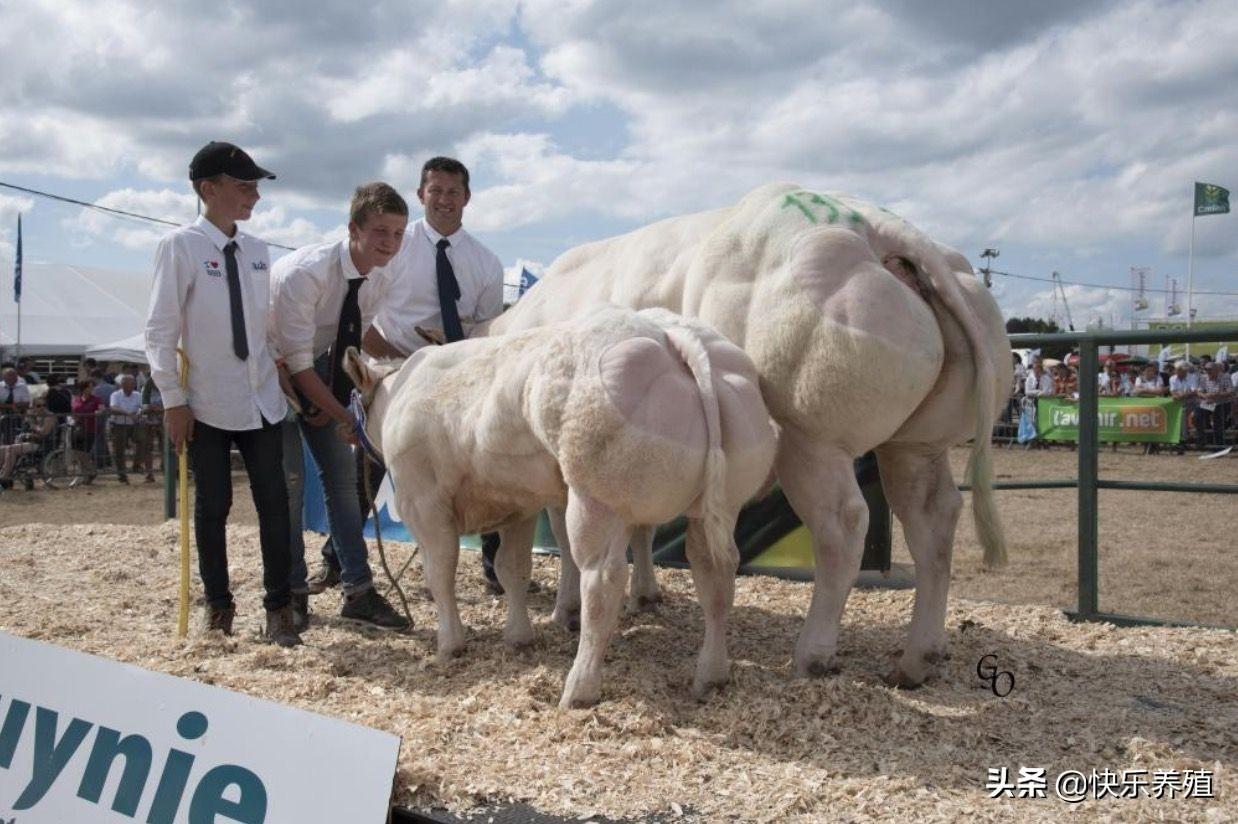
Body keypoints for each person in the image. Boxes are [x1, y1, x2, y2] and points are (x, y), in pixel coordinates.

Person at [145, 139, 300, 647]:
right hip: (206, 400)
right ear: (207, 189)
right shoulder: (181, 247)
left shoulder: (258, 251)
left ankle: (279, 608)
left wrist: (280, 369)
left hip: (260, 398)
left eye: (256, 185)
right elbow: (160, 330)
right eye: (243, 185)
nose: (253, 195)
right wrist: (173, 398)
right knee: (212, 507)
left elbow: (263, 324)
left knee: (275, 505)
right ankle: (219, 607)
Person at [360, 157, 508, 592]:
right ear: (421, 194)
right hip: (394, 372)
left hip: (459, 376)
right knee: (370, 466)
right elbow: (362, 316)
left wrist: (458, 355)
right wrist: (400, 361)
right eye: (436, 191)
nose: (444, 200)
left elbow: (488, 330)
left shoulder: (486, 262)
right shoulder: (393, 249)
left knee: (487, 463)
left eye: (453, 192)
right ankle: (342, 559)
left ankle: (494, 565)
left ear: (467, 197)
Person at [270, 181, 411, 631]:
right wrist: (345, 415)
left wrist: (406, 365)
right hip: (267, 370)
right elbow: (293, 363)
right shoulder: (305, 274)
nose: (389, 243)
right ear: (353, 228)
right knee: (289, 487)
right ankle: (291, 593)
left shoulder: (382, 274)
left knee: (344, 484)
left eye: (397, 234)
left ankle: (358, 590)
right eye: (380, 232)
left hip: (319, 364)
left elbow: (357, 334)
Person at [108, 373, 144, 484]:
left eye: (132, 384)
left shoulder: (138, 395)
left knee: (143, 443)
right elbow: (113, 407)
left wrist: (138, 413)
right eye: (127, 384)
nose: (130, 386)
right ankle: (122, 474)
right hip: (119, 425)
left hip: (135, 424)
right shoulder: (115, 395)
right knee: (119, 450)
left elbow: (143, 407)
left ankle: (136, 464)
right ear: (122, 385)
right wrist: (128, 414)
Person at [1196, 361, 1233, 448]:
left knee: (1218, 420)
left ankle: (1219, 444)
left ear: (1217, 370)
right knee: (1197, 415)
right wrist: (1205, 396)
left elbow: (1230, 392)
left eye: (1210, 370)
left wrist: (1217, 395)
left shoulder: (1225, 377)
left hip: (1222, 403)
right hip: (1209, 403)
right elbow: (1199, 391)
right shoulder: (1203, 378)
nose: (1208, 372)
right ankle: (1202, 440)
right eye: (1206, 370)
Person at [1169, 360, 1200, 452]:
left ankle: (1184, 439)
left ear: (1185, 370)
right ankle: (1180, 440)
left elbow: (1194, 392)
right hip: (1179, 403)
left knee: (1187, 414)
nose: (1176, 372)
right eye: (1176, 370)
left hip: (1192, 402)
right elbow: (1173, 392)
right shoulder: (1172, 378)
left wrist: (1182, 395)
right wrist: (1181, 395)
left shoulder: (1193, 377)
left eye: (1179, 370)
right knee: (1179, 415)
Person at [1, 365, 31, 445]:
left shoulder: (22, 387)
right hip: (2, 416)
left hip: (16, 417)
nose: (13, 378)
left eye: (14, 375)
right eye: (9, 376)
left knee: (12, 440)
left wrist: (14, 406)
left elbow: (27, 403)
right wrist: (11, 406)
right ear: (4, 377)